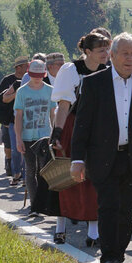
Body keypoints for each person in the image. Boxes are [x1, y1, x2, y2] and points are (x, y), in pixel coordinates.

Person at [69, 33, 132, 263]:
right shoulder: (93, 83)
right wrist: (77, 159)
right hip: (102, 158)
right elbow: (82, 124)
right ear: (112, 56)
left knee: (126, 211)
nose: (131, 58)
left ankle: (118, 257)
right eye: (126, 54)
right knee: (108, 206)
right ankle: (109, 257)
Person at [50, 30, 110, 249]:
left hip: (98, 128)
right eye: (101, 50)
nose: (105, 54)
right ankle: (60, 227)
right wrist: (57, 132)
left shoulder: (108, 72)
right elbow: (63, 105)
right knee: (66, 177)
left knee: (95, 177)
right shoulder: (72, 70)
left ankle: (93, 232)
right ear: (87, 52)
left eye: (107, 49)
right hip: (73, 126)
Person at [14, 59, 58, 221]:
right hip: (26, 137)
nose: (37, 78)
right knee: (30, 170)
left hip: (45, 137)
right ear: (29, 74)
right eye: (34, 75)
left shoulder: (50, 90)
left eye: (40, 75)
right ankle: (35, 206)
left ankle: (42, 203)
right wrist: (18, 138)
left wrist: (55, 135)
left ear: (44, 74)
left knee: (44, 172)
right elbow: (18, 117)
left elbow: (53, 114)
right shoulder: (22, 92)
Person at [0, 55, 30, 185]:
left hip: (25, 119)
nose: (28, 68)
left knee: (23, 148)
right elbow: (0, 98)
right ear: (19, 67)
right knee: (10, 146)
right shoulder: (9, 80)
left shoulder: (33, 79)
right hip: (9, 117)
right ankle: (11, 166)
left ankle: (22, 174)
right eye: (26, 65)